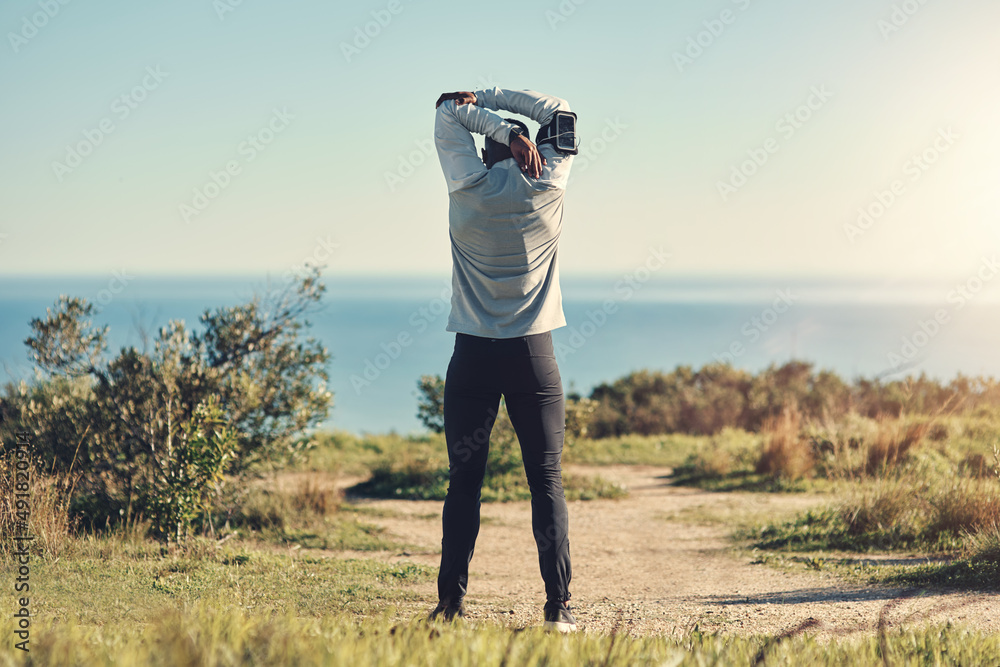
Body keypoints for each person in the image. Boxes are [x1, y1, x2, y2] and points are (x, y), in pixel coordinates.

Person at [427, 87, 578, 633]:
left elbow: (447, 112)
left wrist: (494, 121)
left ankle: (449, 607)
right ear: (527, 154)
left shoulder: (465, 187)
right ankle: (558, 609)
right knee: (546, 480)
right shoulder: (548, 186)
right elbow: (560, 112)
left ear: (486, 149)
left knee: (464, 481)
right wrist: (502, 102)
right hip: (532, 356)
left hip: (473, 356)